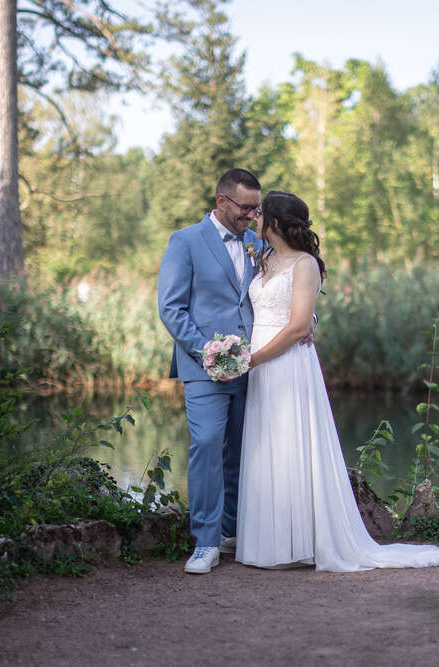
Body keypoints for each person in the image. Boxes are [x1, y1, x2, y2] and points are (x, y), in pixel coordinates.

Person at [235, 191, 439, 571]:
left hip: (286, 364)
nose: (255, 218)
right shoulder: (263, 258)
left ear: (276, 222)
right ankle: (272, 544)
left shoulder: (305, 264)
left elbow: (298, 324)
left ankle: (302, 543)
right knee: (269, 446)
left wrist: (256, 358)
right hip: (261, 365)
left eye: (261, 213)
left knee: (293, 443)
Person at [157, 168, 263, 574]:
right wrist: (209, 352)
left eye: (256, 209)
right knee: (207, 444)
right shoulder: (185, 241)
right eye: (245, 208)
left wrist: (307, 320)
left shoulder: (257, 244)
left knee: (242, 448)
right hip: (205, 367)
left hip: (255, 365)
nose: (251, 216)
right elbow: (171, 307)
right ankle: (205, 542)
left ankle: (231, 531)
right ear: (222, 201)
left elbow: (276, 293)